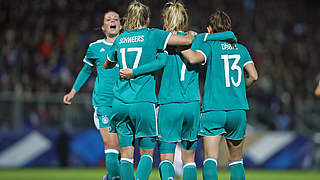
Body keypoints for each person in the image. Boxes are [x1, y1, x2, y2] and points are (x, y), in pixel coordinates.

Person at [118, 2, 237, 180]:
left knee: (166, 158)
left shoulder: (161, 40)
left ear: (166, 19)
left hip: (168, 104)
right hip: (192, 104)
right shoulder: (198, 40)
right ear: (185, 19)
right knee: (189, 159)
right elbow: (217, 38)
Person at [104, 1, 196, 179]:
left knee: (126, 155)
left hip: (120, 102)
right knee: (147, 153)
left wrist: (125, 65)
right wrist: (192, 34)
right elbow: (185, 41)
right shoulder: (153, 35)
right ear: (147, 19)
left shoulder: (120, 38)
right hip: (143, 102)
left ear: (128, 18)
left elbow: (108, 64)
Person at [181, 10, 258, 180]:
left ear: (209, 29)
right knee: (236, 161)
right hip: (237, 110)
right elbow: (254, 75)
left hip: (214, 109)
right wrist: (240, 89)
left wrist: (177, 45)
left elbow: (193, 59)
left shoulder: (209, 45)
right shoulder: (241, 48)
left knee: (210, 159)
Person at [63, 11, 122, 180]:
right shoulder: (95, 47)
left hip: (125, 102)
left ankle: (111, 176)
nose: (112, 21)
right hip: (103, 102)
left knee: (121, 148)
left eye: (116, 19)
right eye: (108, 19)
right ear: (103, 27)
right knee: (110, 144)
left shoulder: (127, 44)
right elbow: (85, 70)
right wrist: (73, 92)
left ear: (121, 25)